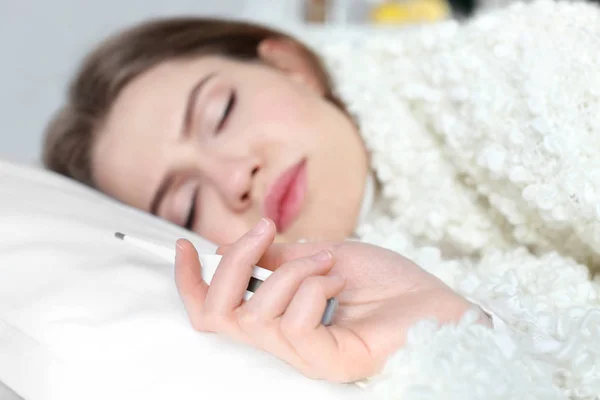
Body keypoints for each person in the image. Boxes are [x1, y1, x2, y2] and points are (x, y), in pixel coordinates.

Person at [42, 0, 600, 396]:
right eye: (186, 206)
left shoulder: (532, 69)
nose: (235, 176)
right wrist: (462, 328)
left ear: (292, 66)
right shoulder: (335, 336)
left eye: (221, 113)